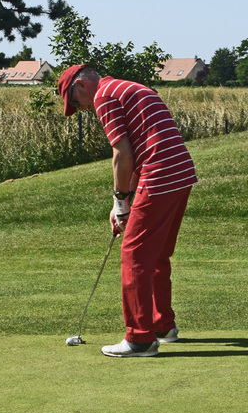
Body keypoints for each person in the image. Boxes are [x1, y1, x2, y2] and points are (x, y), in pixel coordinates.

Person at [57, 64, 197, 357]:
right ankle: (162, 325)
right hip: (180, 173)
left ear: (80, 85)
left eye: (75, 102)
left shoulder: (104, 96)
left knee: (134, 254)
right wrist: (125, 201)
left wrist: (120, 203)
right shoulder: (127, 87)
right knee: (156, 254)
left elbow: (122, 154)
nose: (81, 109)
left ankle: (140, 339)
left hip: (159, 175)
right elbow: (139, 150)